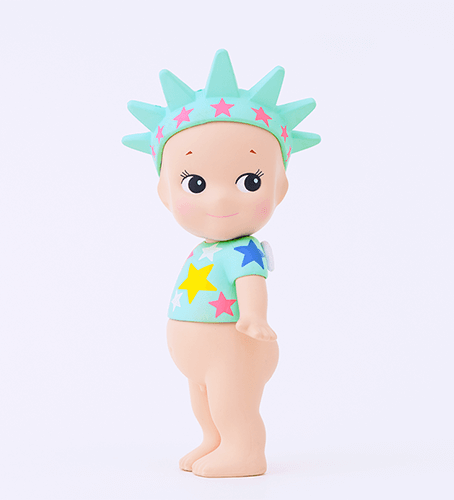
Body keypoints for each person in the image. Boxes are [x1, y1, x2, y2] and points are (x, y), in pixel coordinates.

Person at [123, 49, 320, 477]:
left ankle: (244, 450)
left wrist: (253, 317)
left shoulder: (244, 250)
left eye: (249, 181)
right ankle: (214, 440)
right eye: (195, 183)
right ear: (165, 193)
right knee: (204, 401)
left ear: (279, 187)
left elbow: (251, 284)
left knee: (232, 401)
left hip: (235, 347)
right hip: (201, 356)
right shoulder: (204, 250)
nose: (220, 198)